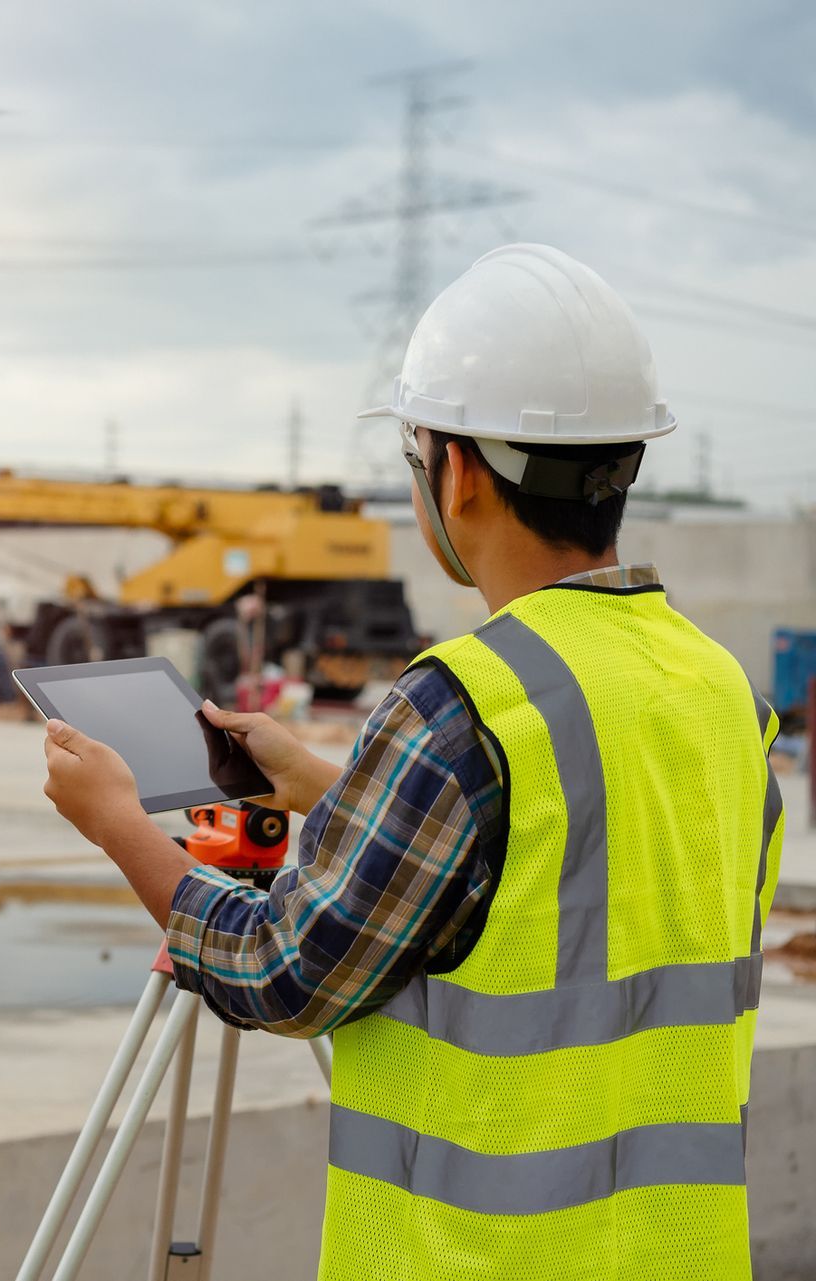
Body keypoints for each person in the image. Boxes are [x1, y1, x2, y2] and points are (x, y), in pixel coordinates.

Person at [41, 245, 782, 1280]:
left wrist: (118, 822)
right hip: (675, 1254)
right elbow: (561, 892)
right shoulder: (725, 698)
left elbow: (279, 972)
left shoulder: (462, 704)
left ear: (459, 472)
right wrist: (329, 787)